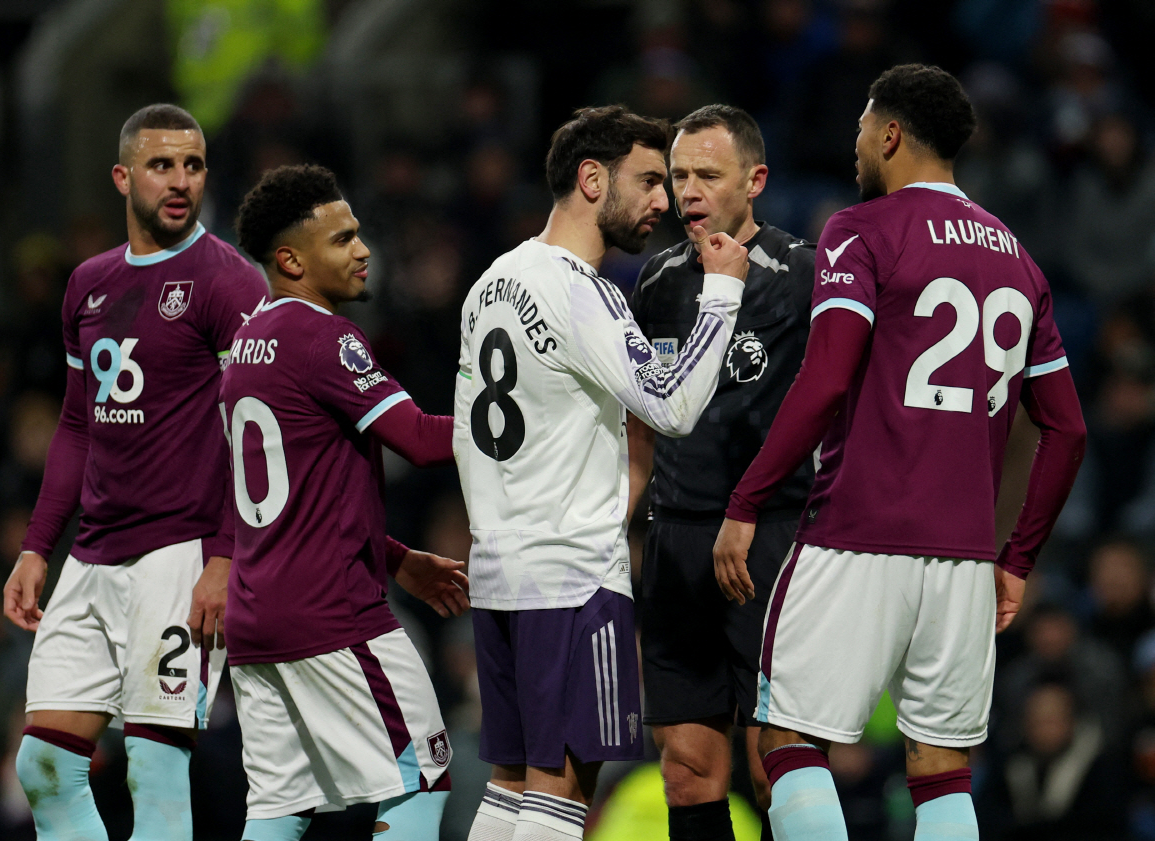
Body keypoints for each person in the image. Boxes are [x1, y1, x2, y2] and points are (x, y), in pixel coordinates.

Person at [711, 64, 1087, 841]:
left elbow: (823, 381)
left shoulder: (863, 230)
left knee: (784, 739)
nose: (854, 144)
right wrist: (1016, 558)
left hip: (856, 527)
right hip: (964, 555)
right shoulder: (1020, 260)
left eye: (860, 126)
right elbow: (1069, 428)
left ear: (889, 134)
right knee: (941, 766)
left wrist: (747, 500)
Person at [455, 104, 749, 841]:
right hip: (572, 579)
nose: (665, 199)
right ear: (592, 178)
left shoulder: (491, 282)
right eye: (649, 179)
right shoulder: (580, 289)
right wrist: (723, 291)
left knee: (511, 782)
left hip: (499, 569)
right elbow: (675, 405)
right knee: (559, 794)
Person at [2, 103, 269, 841]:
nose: (179, 180)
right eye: (161, 165)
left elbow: (250, 435)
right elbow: (77, 425)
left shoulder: (229, 282)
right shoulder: (87, 283)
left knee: (154, 770)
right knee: (44, 767)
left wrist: (222, 558)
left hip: (177, 556)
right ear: (123, 176)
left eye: (192, 165)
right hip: (91, 553)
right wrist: (37, 544)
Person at [224, 163, 469, 841]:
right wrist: (524, 420)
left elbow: (286, 492)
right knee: (424, 777)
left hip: (256, 619)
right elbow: (419, 439)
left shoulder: (245, 344)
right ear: (291, 259)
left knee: (279, 806)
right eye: (343, 239)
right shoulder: (324, 338)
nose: (363, 251)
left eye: (360, 234)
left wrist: (390, 555)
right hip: (331, 613)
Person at [628, 103, 815, 841]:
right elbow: (641, 420)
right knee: (686, 769)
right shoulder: (658, 278)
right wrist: (626, 523)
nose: (688, 190)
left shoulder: (802, 276)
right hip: (676, 542)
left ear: (755, 180)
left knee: (778, 766)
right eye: (678, 176)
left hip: (771, 538)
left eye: (708, 173)